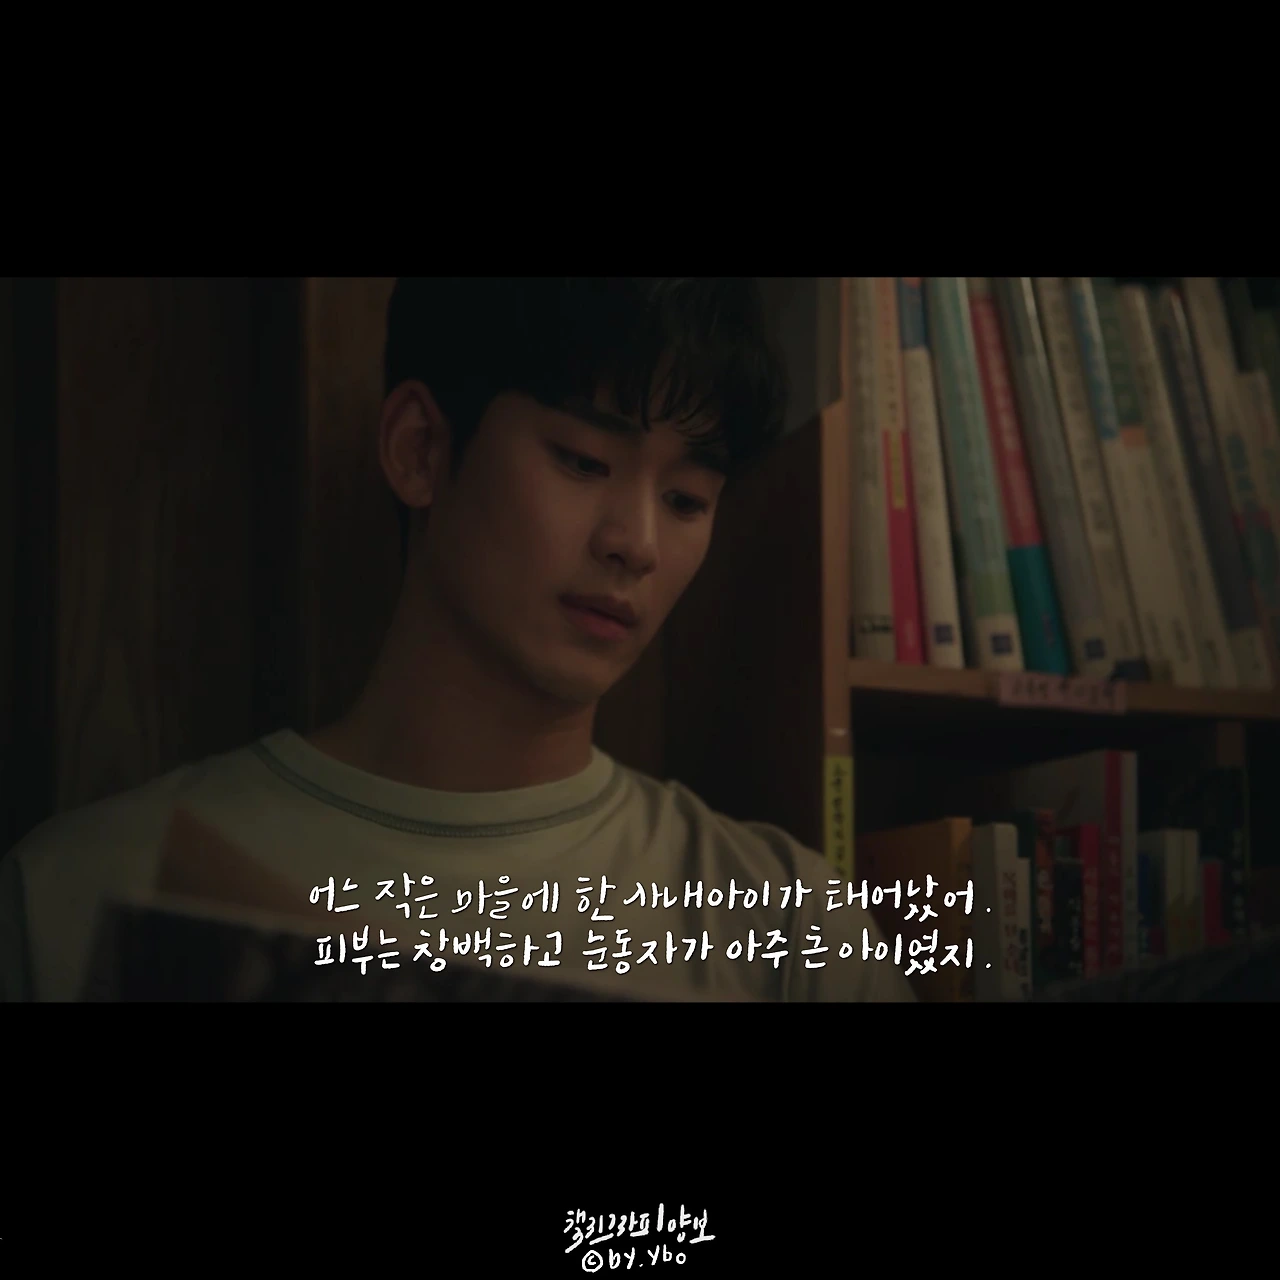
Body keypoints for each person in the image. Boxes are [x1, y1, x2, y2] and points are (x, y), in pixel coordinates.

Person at [0, 277, 916, 1003]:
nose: (636, 543)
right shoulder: (86, 892)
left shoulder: (791, 932)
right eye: (583, 461)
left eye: (685, 500)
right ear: (420, 449)